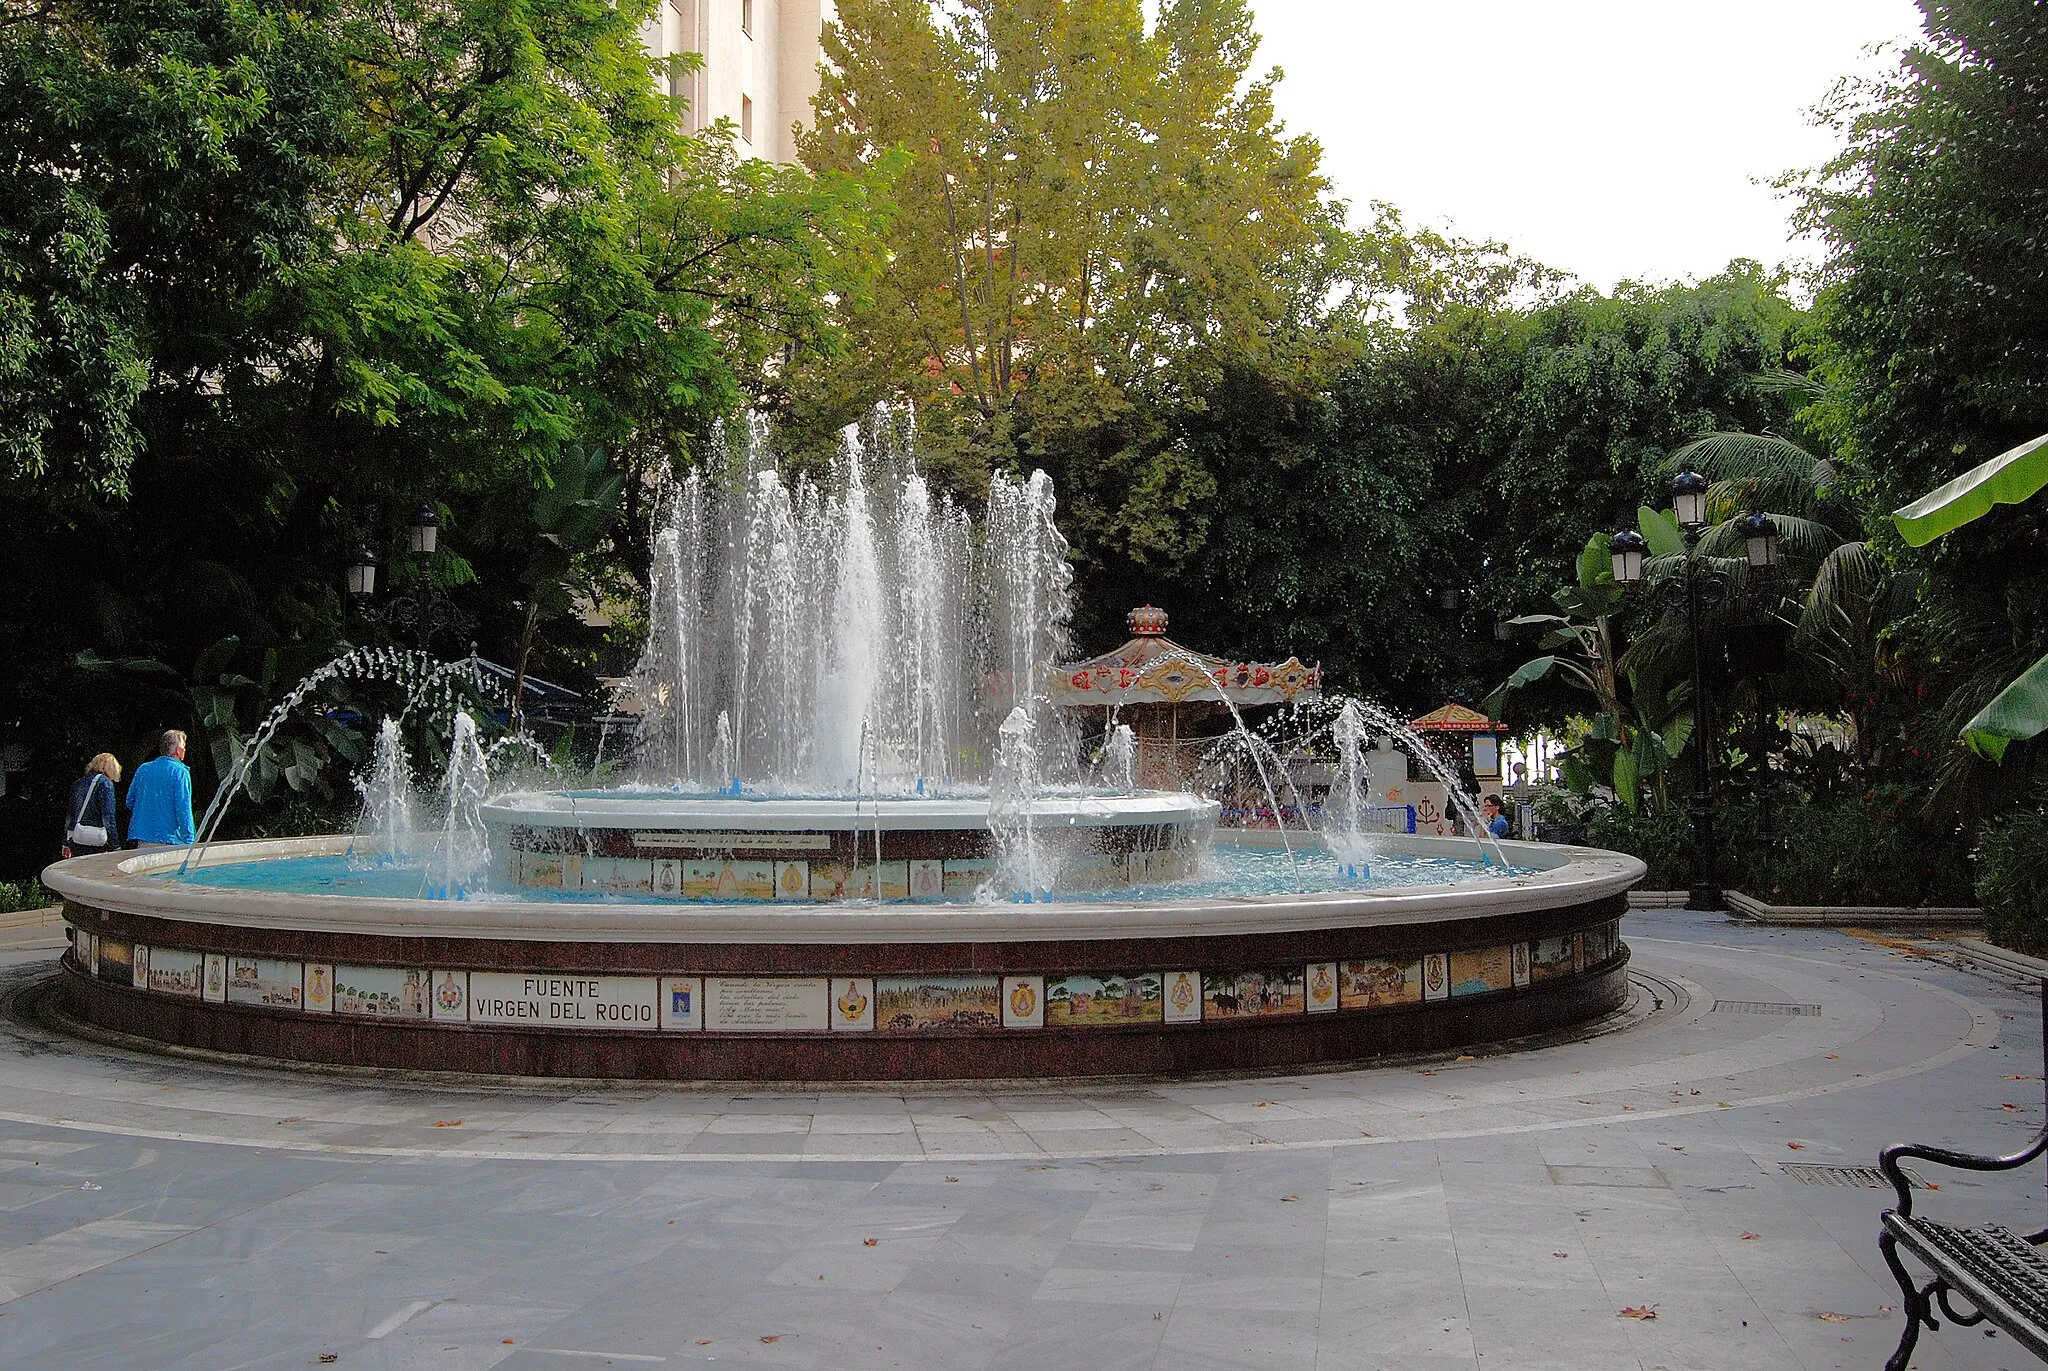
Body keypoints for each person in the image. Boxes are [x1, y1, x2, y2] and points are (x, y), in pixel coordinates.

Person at [127, 730, 195, 848]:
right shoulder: (180, 772)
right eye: (184, 747)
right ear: (178, 751)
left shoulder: (143, 769)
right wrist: (189, 840)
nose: (185, 750)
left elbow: (130, 801)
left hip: (143, 837)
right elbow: (183, 809)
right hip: (170, 839)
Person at [60, 753, 123, 858]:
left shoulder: (78, 783)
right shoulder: (105, 784)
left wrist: (65, 842)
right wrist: (115, 845)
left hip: (77, 838)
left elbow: (70, 815)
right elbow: (108, 817)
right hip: (96, 839)